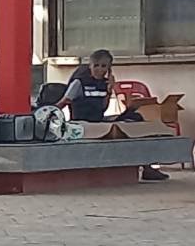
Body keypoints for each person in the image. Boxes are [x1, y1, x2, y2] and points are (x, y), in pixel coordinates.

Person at [59, 48, 167, 182]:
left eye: (103, 66)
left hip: (98, 120)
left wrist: (110, 91)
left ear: (109, 69)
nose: (99, 70)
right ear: (90, 66)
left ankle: (148, 167)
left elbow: (103, 108)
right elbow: (64, 101)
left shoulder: (104, 84)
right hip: (82, 122)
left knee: (135, 119)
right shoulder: (79, 83)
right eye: (96, 66)